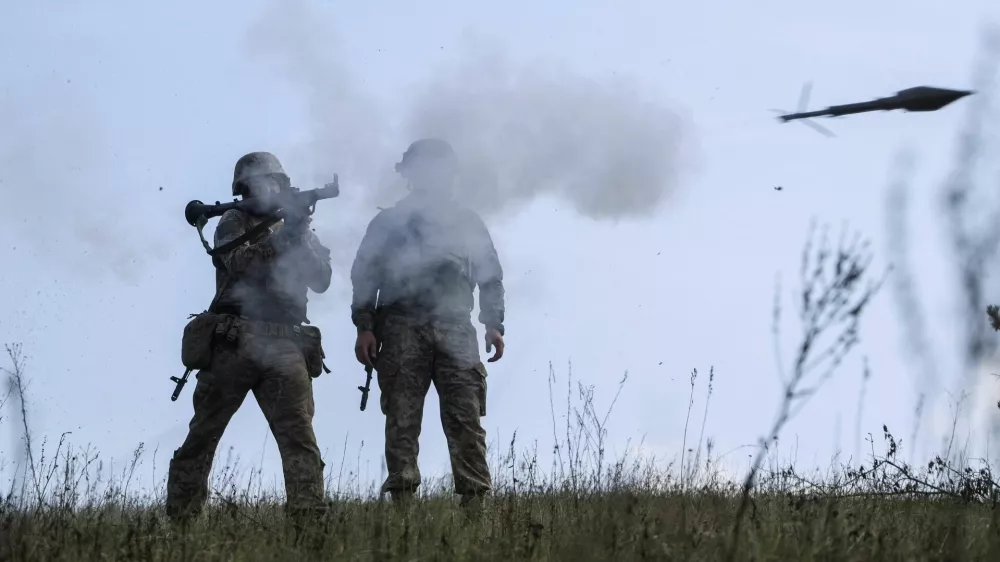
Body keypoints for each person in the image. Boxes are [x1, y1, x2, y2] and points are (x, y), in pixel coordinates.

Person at [167, 151, 333, 528]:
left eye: (271, 182)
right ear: (243, 189)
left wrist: (298, 230)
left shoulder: (300, 228)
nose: (265, 188)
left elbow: (321, 279)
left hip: (285, 342)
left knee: (300, 440)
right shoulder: (233, 219)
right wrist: (286, 233)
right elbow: (243, 266)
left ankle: (310, 528)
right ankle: (180, 525)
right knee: (202, 437)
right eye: (256, 183)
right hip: (234, 339)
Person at [349, 138, 506, 511]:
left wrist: (493, 323)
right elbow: (364, 277)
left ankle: (475, 510)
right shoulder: (388, 223)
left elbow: (490, 275)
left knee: (466, 419)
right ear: (411, 174)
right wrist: (364, 327)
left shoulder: (467, 221)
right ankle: (403, 512)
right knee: (402, 421)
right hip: (402, 325)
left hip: (455, 325)